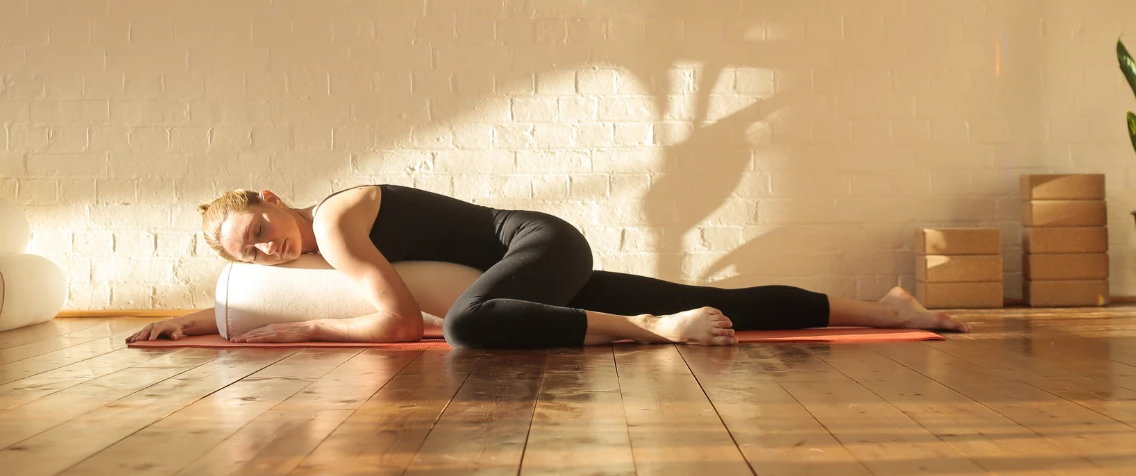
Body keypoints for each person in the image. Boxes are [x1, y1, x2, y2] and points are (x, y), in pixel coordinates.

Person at [125, 184, 968, 348]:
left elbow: (393, 322)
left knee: (464, 325)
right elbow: (298, 296)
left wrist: (294, 335)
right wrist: (206, 322)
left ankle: (648, 332)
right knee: (716, 297)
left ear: (273, 198)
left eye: (259, 232)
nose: (268, 251)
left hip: (536, 244)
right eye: (251, 254)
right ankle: (890, 310)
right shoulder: (320, 245)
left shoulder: (339, 222)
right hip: (535, 260)